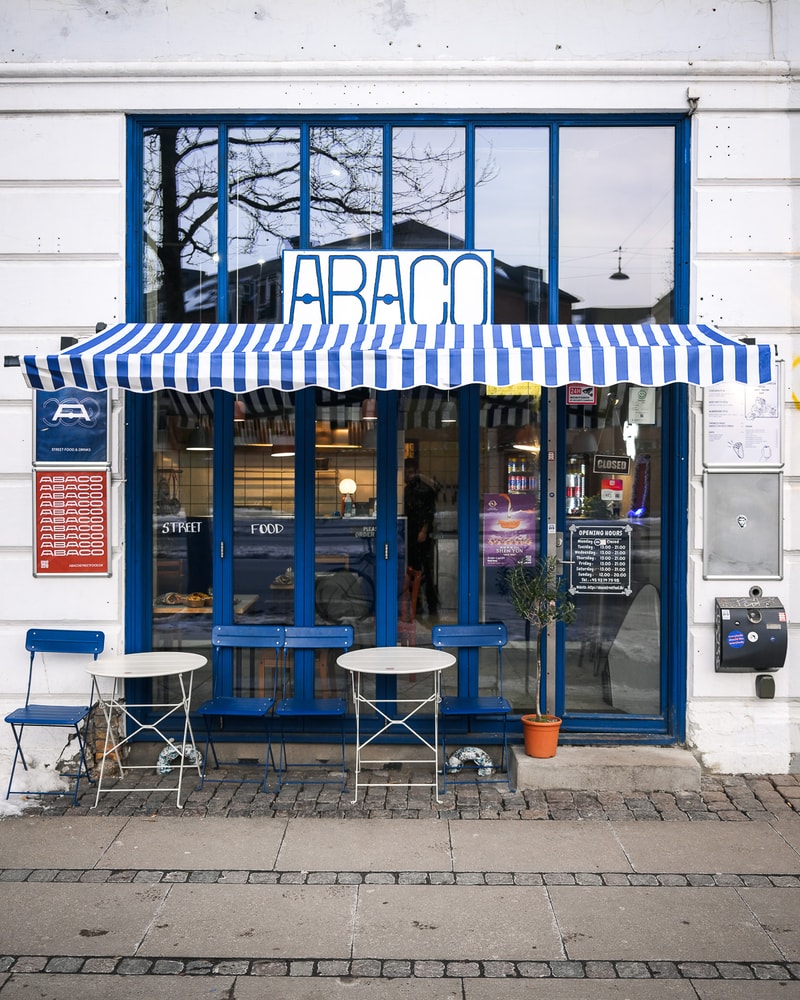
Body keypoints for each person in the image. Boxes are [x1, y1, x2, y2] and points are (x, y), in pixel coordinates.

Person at [403, 457, 439, 617]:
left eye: (411, 472)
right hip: (412, 535)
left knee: (424, 572)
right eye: (406, 472)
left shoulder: (424, 489)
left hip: (420, 536)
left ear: (416, 472)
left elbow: (429, 513)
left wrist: (423, 531)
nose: (408, 475)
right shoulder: (408, 489)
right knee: (414, 571)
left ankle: (430, 605)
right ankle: (417, 604)